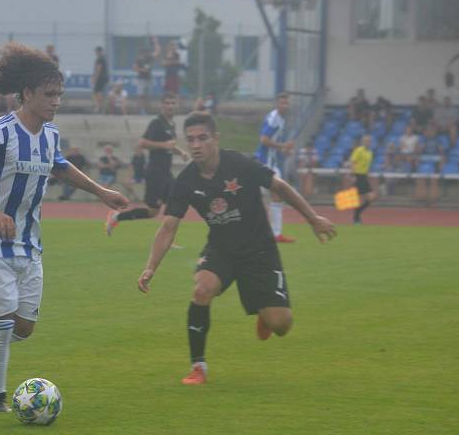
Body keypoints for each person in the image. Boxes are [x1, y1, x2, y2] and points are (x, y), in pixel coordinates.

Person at [0, 42, 129, 412]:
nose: (56, 102)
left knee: (24, 327)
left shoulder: (49, 135)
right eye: (49, 95)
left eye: (59, 95)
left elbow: (60, 167)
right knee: (2, 323)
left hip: (28, 243)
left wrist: (100, 192)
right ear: (28, 93)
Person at [137, 111, 337, 385]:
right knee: (201, 289)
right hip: (222, 249)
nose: (196, 145)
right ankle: (198, 367)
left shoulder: (240, 164)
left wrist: (313, 218)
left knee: (281, 325)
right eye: (191, 139)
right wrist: (150, 267)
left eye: (202, 138)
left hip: (260, 251)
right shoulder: (185, 181)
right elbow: (169, 227)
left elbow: (280, 186)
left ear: (216, 139)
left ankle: (265, 317)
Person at [105, 93, 188, 235]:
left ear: (177, 105)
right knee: (152, 212)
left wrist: (180, 152)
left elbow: (169, 146)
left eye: (173, 103)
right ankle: (117, 216)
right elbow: (142, 143)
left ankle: (167, 237)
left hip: (166, 173)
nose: (170, 106)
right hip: (155, 173)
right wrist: (164, 145)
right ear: (162, 105)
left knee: (175, 204)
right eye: (167, 103)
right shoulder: (157, 122)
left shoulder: (171, 124)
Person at [255, 92, 296, 243]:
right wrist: (283, 145)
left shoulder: (281, 119)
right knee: (271, 196)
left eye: (286, 103)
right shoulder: (273, 118)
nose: (285, 105)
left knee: (277, 195)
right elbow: (264, 140)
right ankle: (273, 233)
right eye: (282, 103)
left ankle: (276, 234)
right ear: (277, 104)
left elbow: (271, 143)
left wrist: (283, 150)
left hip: (271, 163)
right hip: (265, 162)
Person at [350, 135, 375, 224]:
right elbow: (353, 162)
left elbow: (367, 165)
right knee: (360, 198)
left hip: (364, 176)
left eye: (369, 141)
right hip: (358, 175)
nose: (368, 143)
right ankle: (356, 218)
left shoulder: (370, 152)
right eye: (366, 141)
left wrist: (367, 174)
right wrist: (353, 175)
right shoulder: (359, 150)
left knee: (371, 197)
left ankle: (357, 214)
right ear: (363, 142)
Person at [133, 38, 160, 115]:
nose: (143, 54)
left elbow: (157, 52)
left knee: (147, 95)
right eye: (142, 53)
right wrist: (142, 70)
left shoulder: (149, 58)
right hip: (141, 79)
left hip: (148, 78)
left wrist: (156, 42)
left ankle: (146, 110)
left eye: (144, 53)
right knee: (141, 95)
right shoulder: (138, 60)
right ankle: (140, 110)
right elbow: (134, 68)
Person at [91, 46, 109, 113]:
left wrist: (94, 78)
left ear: (99, 52)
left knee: (97, 92)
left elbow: (98, 69)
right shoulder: (103, 58)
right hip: (104, 78)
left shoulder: (100, 59)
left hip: (100, 78)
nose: (96, 53)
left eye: (96, 51)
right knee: (100, 93)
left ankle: (99, 107)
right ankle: (100, 107)